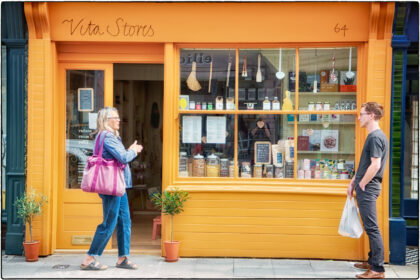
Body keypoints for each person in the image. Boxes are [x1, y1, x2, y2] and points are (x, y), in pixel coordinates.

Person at [81, 107, 143, 270]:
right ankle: (89, 258)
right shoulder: (108, 137)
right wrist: (133, 151)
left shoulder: (107, 136)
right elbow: (124, 157)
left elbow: (119, 156)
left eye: (118, 117)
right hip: (111, 186)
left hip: (117, 185)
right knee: (109, 222)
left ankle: (122, 258)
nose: (118, 120)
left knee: (124, 220)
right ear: (106, 120)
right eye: (115, 117)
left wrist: (128, 150)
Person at [347, 102, 388, 279]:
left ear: (371, 116)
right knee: (370, 225)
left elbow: (375, 164)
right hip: (367, 185)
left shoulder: (375, 137)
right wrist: (354, 181)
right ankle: (372, 261)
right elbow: (367, 164)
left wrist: (362, 184)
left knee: (372, 228)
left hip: (369, 188)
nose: (359, 117)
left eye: (362, 114)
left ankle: (377, 269)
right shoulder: (375, 136)